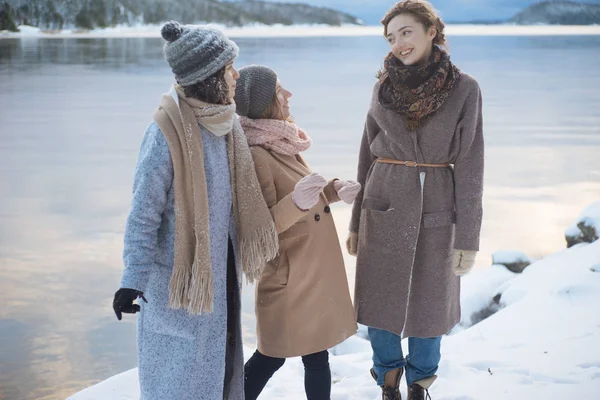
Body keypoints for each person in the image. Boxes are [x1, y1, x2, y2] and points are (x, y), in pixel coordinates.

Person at [111, 21, 278, 400]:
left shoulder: (228, 125)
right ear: (210, 76)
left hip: (221, 277)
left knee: (219, 375)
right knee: (179, 382)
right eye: (229, 68)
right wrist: (131, 280)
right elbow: (143, 213)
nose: (236, 75)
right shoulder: (164, 132)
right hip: (180, 285)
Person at [346, 1, 484, 399]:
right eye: (391, 38)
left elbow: (472, 165)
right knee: (378, 298)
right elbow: (365, 156)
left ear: (430, 31)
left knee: (430, 301)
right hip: (383, 199)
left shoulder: (464, 89)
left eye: (406, 32)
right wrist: (356, 220)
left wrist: (468, 237)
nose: (398, 44)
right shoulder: (381, 88)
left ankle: (420, 385)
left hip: (437, 200)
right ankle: (387, 382)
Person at [234, 65, 359, 400]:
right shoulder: (256, 153)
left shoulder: (281, 139)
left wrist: (334, 189)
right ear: (264, 104)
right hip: (290, 277)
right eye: (279, 90)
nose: (288, 95)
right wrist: (298, 201)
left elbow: (305, 193)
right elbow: (257, 229)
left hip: (312, 273)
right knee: (270, 357)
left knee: (317, 356)